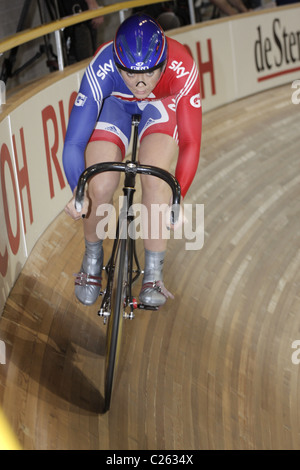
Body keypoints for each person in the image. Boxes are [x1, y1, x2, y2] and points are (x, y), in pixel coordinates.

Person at [62, 13, 202, 308]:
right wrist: (79, 192)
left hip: (160, 107)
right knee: (98, 185)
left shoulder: (182, 66)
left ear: (163, 62)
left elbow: (190, 142)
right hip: (115, 104)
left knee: (156, 179)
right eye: (131, 73)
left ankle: (153, 274)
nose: (140, 83)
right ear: (117, 62)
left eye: (150, 72)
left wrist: (178, 200)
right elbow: (74, 141)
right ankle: (92, 257)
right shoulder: (102, 64)